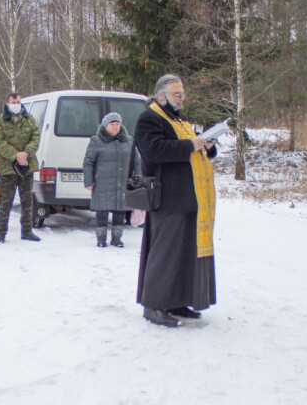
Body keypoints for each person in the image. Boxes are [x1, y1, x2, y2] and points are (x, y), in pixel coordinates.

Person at [134, 74, 218, 327]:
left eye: (183, 94)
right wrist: (191, 144)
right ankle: (155, 305)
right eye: (177, 94)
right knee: (165, 254)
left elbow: (191, 148)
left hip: (189, 196)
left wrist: (207, 144)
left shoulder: (178, 119)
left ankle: (179, 300)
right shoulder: (149, 118)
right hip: (168, 197)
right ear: (162, 96)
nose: (182, 98)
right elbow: (154, 150)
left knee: (184, 253)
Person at [83, 112, 139, 248]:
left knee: (120, 211)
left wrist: (137, 180)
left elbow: (137, 162)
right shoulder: (96, 141)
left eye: (117, 124)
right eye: (112, 124)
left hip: (122, 183)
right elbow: (88, 162)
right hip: (102, 183)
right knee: (102, 211)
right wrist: (89, 182)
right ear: (105, 126)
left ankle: (116, 239)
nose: (115, 127)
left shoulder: (129, 141)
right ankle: (101, 239)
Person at [0, 92, 41, 243]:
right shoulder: (0, 122)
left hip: (27, 166)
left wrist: (26, 153)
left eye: (18, 101)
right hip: (8, 168)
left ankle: (27, 230)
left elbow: (36, 137)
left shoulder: (29, 119)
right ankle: (1, 232)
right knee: (5, 201)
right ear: (7, 104)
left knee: (27, 201)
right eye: (13, 102)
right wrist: (16, 155)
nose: (16, 104)